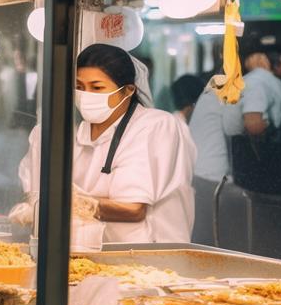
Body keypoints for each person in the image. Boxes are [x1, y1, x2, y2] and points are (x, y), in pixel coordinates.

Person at [14, 44, 195, 244]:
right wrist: (36, 206)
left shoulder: (154, 126)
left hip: (146, 256)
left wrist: (67, 203)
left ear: (127, 91)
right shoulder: (51, 132)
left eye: (97, 87)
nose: (85, 95)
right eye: (79, 87)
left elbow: (133, 209)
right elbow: (35, 190)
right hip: (80, 254)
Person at [188, 38, 281, 244]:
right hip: (216, 178)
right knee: (218, 242)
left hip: (199, 171)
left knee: (206, 238)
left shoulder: (218, 82)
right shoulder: (241, 84)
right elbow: (244, 125)